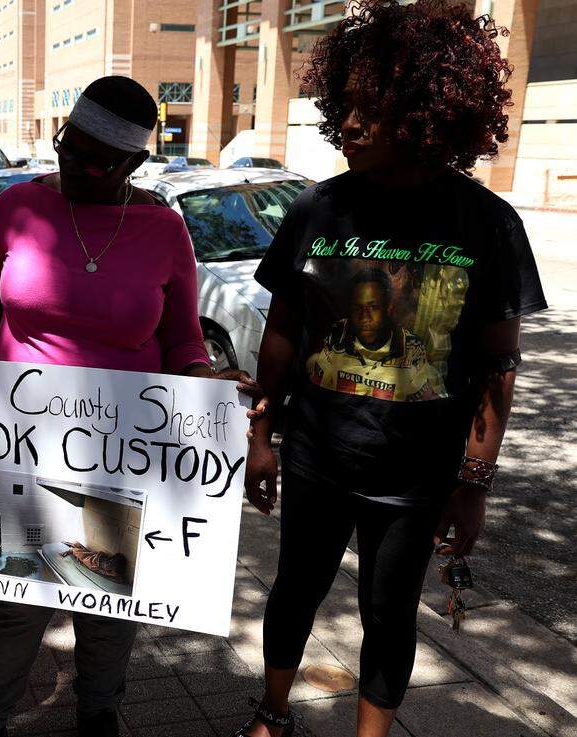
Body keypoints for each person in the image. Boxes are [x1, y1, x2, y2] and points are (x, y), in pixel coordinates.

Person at [239, 1, 547, 735]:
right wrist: (261, 433)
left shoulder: (486, 222)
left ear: (427, 113)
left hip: (417, 473)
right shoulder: (315, 209)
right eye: (346, 106)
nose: (350, 123)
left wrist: (472, 485)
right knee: (293, 592)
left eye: (372, 109)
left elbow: (498, 365)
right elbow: (282, 329)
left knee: (388, 611)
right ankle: (273, 711)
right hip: (317, 454)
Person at [0, 76, 262, 737]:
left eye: (95, 159)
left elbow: (182, 341)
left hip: (118, 451)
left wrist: (204, 384)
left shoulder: (165, 230)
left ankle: (99, 712)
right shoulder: (16, 210)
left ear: (137, 163)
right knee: (9, 603)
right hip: (16, 446)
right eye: (67, 148)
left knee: (106, 601)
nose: (74, 167)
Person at [306, 268, 443, 401]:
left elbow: (426, 400)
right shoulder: (337, 335)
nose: (365, 317)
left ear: (388, 309)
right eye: (357, 308)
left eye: (373, 307)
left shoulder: (410, 348)